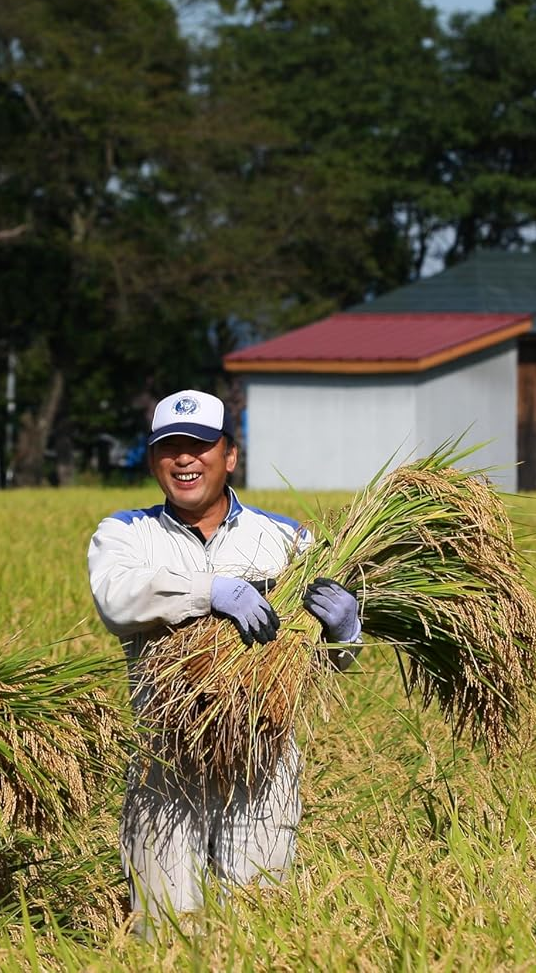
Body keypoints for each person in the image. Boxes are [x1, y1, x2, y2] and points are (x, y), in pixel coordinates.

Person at [87, 389, 363, 936]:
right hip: (165, 765)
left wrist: (346, 630)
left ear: (230, 455)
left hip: (263, 765)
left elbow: (329, 660)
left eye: (199, 446)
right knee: (165, 929)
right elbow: (117, 599)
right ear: (153, 460)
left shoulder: (287, 539)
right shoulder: (125, 534)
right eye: (170, 448)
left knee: (257, 928)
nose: (184, 460)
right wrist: (207, 590)